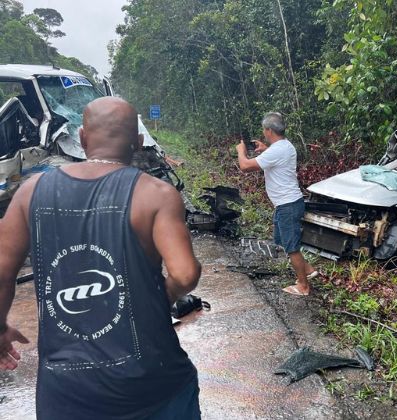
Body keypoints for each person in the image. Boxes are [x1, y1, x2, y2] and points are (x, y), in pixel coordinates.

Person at [0, 97, 202, 419]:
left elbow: (1, 272)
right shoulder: (156, 194)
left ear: (82, 138)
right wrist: (161, 298)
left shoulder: (31, 192)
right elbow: (185, 273)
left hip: (66, 392)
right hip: (151, 382)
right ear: (137, 143)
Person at [237, 112, 317, 296]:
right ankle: (309, 270)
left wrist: (241, 151)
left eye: (265, 130)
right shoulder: (285, 146)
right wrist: (265, 149)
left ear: (269, 130)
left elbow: (245, 166)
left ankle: (303, 287)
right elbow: (276, 157)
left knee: (292, 248)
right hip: (289, 203)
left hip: (287, 205)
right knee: (281, 240)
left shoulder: (277, 150)